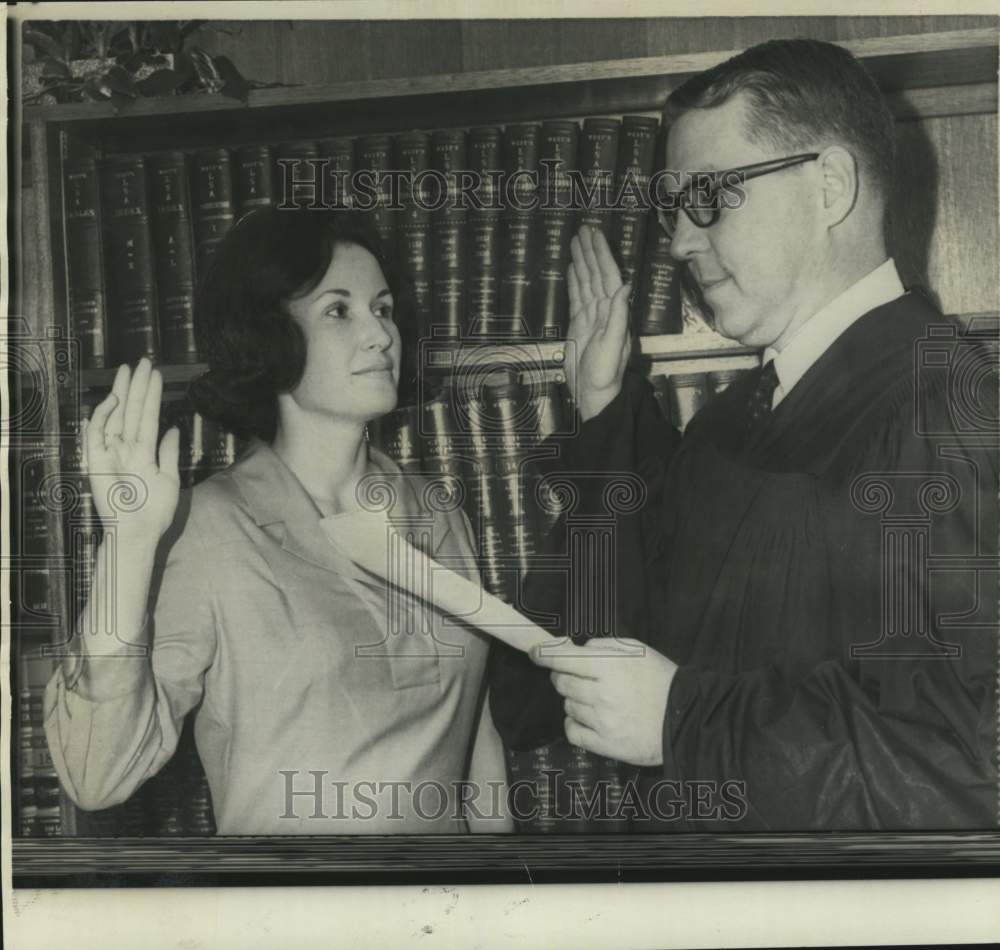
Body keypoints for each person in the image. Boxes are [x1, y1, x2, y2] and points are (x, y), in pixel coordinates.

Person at [488, 38, 998, 829]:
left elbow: (968, 771)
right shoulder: (731, 424)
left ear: (829, 186)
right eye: (674, 206)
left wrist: (684, 720)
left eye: (712, 195)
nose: (682, 241)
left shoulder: (947, 409)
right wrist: (601, 415)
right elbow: (560, 672)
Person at [45, 207, 511, 835]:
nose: (379, 335)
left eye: (384, 308)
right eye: (339, 311)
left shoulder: (439, 513)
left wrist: (510, 899)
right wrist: (128, 544)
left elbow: (476, 736)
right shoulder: (210, 530)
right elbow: (96, 775)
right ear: (272, 339)